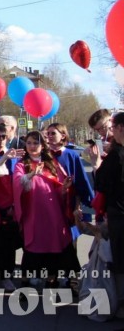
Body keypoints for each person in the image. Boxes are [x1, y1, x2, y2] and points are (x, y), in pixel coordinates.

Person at [13, 130, 78, 289]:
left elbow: (59, 190)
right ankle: (25, 285)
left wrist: (65, 188)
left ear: (43, 146)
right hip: (33, 213)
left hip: (53, 213)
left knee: (54, 246)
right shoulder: (22, 164)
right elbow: (17, 183)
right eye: (29, 143)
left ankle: (52, 280)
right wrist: (31, 174)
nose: (32, 146)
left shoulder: (53, 164)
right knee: (33, 247)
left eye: (36, 143)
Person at [0, 122, 23, 292]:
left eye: (4, 137)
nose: (0, 140)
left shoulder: (15, 157)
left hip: (9, 206)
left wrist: (15, 204)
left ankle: (6, 276)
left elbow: (18, 182)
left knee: (8, 244)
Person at [94, 111, 124, 303]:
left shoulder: (115, 154)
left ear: (120, 128)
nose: (111, 132)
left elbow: (101, 184)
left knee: (121, 263)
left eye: (112, 128)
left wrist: (97, 163)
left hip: (120, 216)